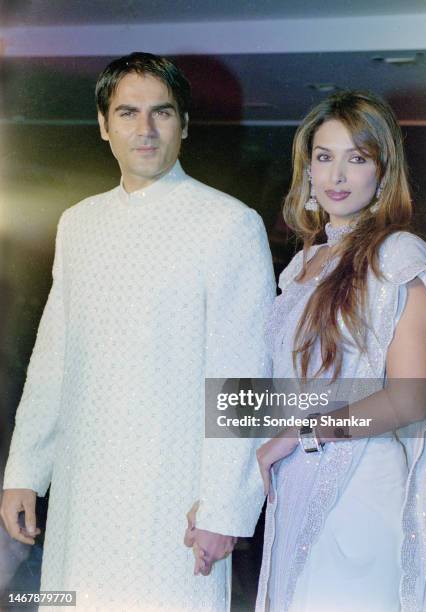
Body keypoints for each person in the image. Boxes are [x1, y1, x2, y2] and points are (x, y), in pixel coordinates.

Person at [0, 52, 276, 610]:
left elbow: (243, 376)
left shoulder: (229, 224)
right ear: (104, 126)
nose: (144, 130)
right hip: (86, 485)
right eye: (127, 113)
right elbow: (54, 357)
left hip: (173, 495)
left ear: (185, 125)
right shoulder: (79, 223)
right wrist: (25, 468)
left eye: (162, 113)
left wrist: (225, 506)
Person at [255, 91, 426, 612]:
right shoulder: (301, 266)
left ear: (382, 173)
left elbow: (409, 400)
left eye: (356, 158)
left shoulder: (397, 254)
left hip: (359, 484)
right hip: (296, 479)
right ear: (309, 170)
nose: (337, 175)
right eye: (325, 157)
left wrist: (302, 433)